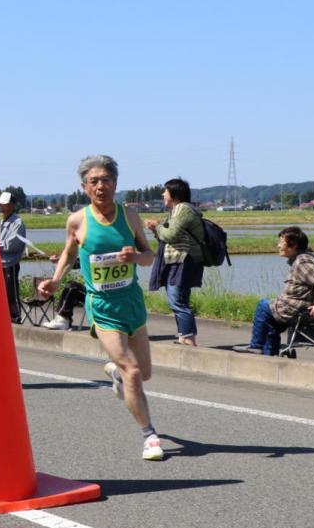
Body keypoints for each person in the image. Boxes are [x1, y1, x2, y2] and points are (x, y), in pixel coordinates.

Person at [37, 155, 165, 461]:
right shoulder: (78, 220)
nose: (100, 186)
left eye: (106, 180)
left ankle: (117, 377)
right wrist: (55, 281)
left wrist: (135, 257)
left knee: (143, 374)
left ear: (115, 184)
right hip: (102, 306)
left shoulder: (130, 216)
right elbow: (69, 255)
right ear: (84, 187)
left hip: (131, 302)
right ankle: (150, 436)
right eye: (93, 181)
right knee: (133, 371)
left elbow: (150, 256)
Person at [234, 227, 314, 355]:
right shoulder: (304, 257)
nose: (278, 246)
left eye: (281, 242)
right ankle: (270, 353)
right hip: (297, 308)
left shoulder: (302, 262)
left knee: (263, 306)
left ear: (294, 245)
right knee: (271, 319)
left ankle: (256, 345)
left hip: (298, 310)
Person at [144, 178, 206, 346]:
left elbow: (171, 235)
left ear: (174, 194)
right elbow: (168, 238)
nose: (163, 194)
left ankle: (189, 338)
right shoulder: (177, 210)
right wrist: (156, 229)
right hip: (179, 260)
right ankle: (183, 338)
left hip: (183, 260)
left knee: (176, 300)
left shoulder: (183, 209)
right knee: (180, 300)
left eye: (165, 191)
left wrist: (157, 226)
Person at [0, 191, 27, 323]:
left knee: (11, 291)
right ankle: (4, 317)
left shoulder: (17, 223)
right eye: (0, 205)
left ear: (12, 206)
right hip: (0, 263)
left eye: (5, 205)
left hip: (10, 263)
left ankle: (15, 317)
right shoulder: (2, 221)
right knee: (0, 293)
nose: (1, 208)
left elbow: (12, 244)